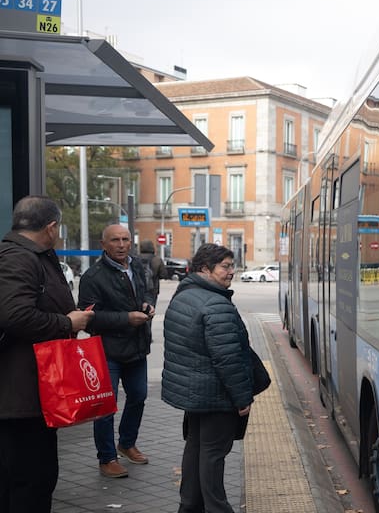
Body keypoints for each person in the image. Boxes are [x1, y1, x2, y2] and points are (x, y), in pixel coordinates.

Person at [0, 195, 94, 512]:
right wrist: (66, 321)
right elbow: (14, 316)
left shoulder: (29, 255)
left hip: (30, 394)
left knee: (33, 480)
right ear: (51, 227)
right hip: (19, 400)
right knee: (30, 482)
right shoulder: (19, 258)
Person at [161, 244, 257, 513]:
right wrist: (241, 399)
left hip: (193, 393)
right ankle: (217, 508)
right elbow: (228, 359)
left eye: (232, 265)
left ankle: (189, 506)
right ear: (205, 269)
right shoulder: (216, 303)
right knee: (213, 457)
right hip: (216, 395)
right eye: (225, 266)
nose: (231, 272)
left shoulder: (184, 295)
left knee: (195, 450)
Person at [77, 223, 156, 478]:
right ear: (103, 245)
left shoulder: (137, 266)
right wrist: (125, 319)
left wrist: (148, 305)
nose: (121, 244)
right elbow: (87, 317)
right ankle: (107, 458)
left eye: (125, 239)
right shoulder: (93, 277)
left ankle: (127, 443)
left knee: (138, 396)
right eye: (115, 240)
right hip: (107, 351)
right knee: (105, 406)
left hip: (137, 347)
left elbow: (149, 291)